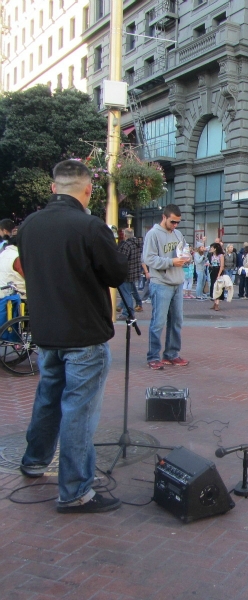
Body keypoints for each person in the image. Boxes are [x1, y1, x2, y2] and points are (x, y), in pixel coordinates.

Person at [17, 159, 128, 513]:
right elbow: (116, 275)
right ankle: (76, 490)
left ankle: (35, 460)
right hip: (83, 334)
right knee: (78, 411)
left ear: (53, 187)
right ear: (88, 190)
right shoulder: (90, 227)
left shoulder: (29, 226)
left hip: (47, 333)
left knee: (48, 399)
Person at [143, 204, 190, 370]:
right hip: (161, 283)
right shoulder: (153, 234)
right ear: (164, 217)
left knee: (177, 320)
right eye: (173, 222)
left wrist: (186, 257)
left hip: (177, 282)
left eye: (178, 222)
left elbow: (184, 251)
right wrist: (171, 262)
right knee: (158, 321)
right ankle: (153, 356)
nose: (175, 225)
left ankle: (171, 354)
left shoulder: (178, 234)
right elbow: (148, 259)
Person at [116, 228, 143, 320]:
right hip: (134, 272)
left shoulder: (127, 245)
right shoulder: (138, 244)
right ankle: (127, 307)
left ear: (125, 235)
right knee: (130, 291)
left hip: (126, 273)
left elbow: (122, 259)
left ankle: (127, 313)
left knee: (126, 293)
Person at [208, 242, 225, 311]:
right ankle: (215, 302)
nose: (210, 249)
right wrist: (209, 265)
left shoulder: (221, 255)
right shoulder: (212, 255)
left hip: (218, 271)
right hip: (213, 271)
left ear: (215, 249)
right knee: (213, 286)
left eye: (212, 248)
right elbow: (213, 264)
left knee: (218, 287)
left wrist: (219, 274)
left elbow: (222, 266)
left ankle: (217, 304)